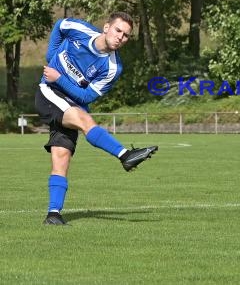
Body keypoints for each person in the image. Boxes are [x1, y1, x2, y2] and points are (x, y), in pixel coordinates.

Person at [35, 12, 159, 226]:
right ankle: (125, 155)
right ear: (106, 27)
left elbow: (86, 96)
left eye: (126, 35)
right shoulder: (79, 29)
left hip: (71, 100)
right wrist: (51, 56)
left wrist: (60, 77)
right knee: (84, 121)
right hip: (48, 91)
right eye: (118, 30)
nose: (121, 37)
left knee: (62, 156)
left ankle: (53, 214)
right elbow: (60, 25)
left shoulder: (113, 68)